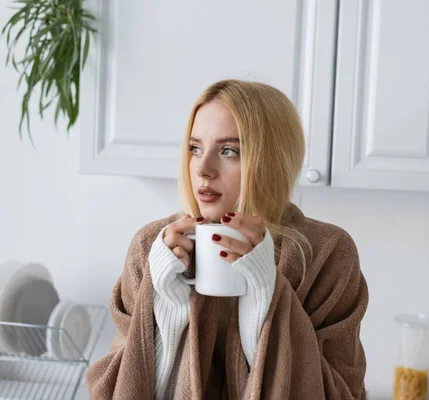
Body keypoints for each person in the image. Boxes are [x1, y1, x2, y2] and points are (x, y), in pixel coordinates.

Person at [85, 79, 369, 399]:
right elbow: (111, 390)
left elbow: (343, 394)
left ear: (272, 159)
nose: (203, 169)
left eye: (229, 151)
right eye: (195, 148)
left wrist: (266, 296)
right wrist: (167, 309)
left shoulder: (326, 252)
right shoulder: (153, 246)